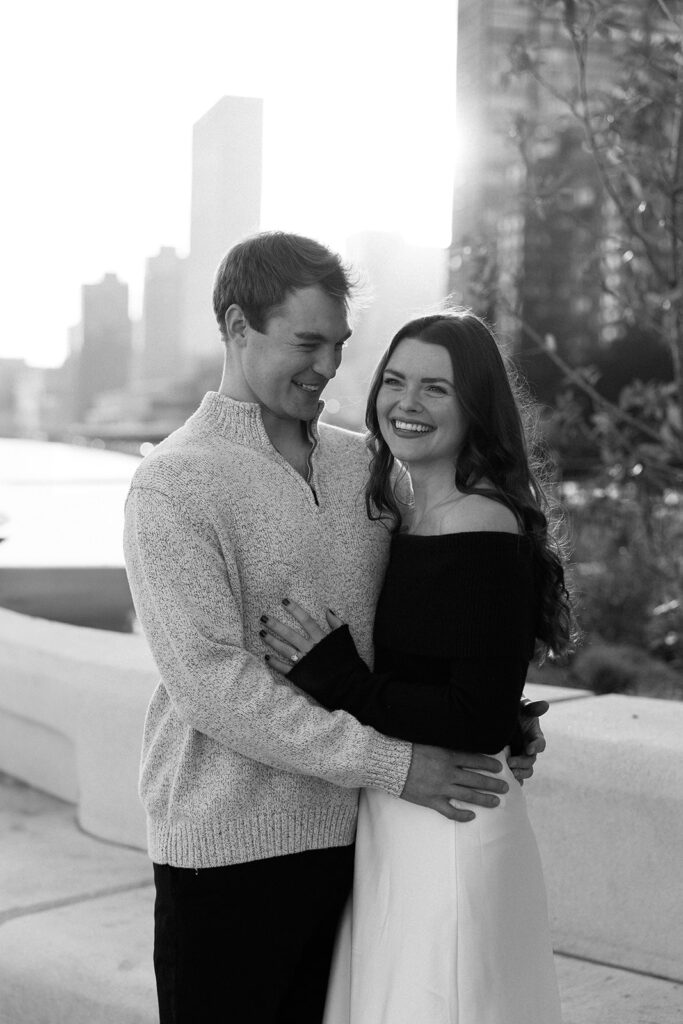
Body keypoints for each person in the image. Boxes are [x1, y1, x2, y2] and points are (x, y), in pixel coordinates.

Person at [123, 233, 548, 1024]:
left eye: (339, 346)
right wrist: (393, 763)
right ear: (236, 325)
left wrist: (487, 715)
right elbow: (212, 685)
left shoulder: (367, 468)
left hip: (360, 839)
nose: (326, 366)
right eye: (305, 342)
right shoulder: (172, 486)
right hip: (230, 844)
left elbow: (434, 614)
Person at [260, 311, 575, 1023]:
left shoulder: (479, 524)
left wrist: (334, 676)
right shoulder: (410, 515)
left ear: (475, 407)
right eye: (394, 381)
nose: (406, 403)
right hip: (403, 817)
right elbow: (469, 676)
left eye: (435, 388)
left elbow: (473, 715)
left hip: (453, 824)